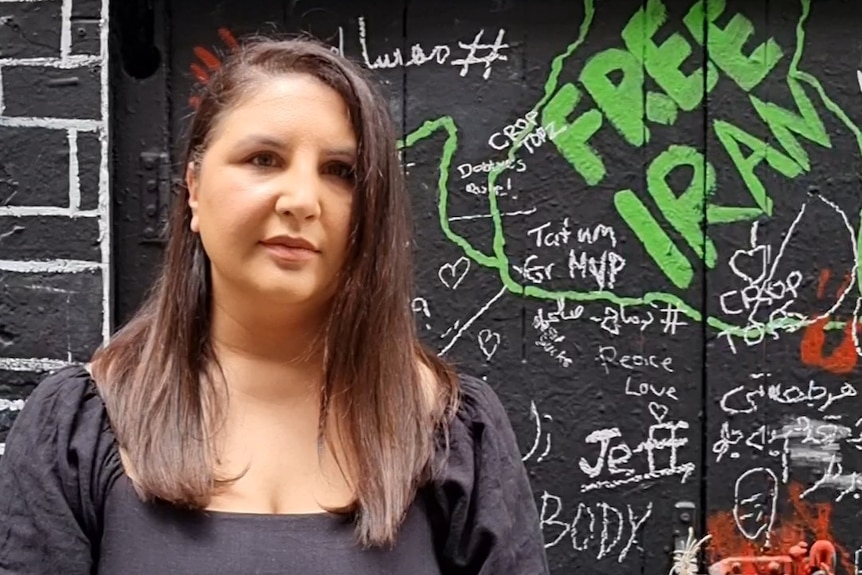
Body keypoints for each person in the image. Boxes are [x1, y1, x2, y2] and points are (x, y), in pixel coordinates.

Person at [0, 36, 548, 574]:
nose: (302, 201)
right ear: (194, 188)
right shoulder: (79, 428)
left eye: (341, 172)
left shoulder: (453, 431)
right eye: (263, 159)